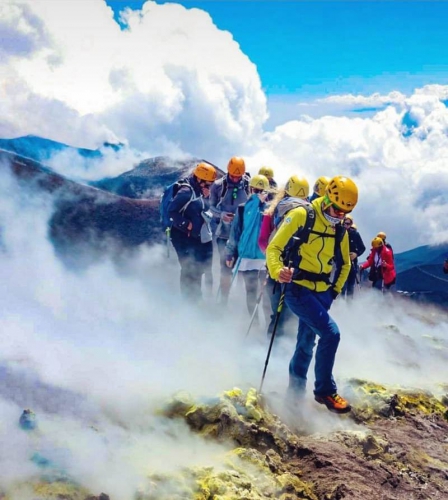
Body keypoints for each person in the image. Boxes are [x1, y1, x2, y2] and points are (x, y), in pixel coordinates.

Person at [266, 175, 358, 414]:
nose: (339, 216)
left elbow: (345, 264)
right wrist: (278, 271)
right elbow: (273, 247)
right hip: (297, 289)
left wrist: (333, 293)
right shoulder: (301, 215)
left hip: (322, 293)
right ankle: (325, 391)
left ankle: (294, 398)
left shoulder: (340, 229)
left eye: (344, 213)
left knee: (306, 343)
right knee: (331, 333)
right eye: (337, 210)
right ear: (327, 197)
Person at [258, 175, 309, 338]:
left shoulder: (272, 212)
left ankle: (272, 348)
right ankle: (284, 350)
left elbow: (263, 240)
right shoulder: (309, 214)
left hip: (275, 269)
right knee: (291, 314)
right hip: (298, 270)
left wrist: (273, 259)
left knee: (278, 313)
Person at [225, 174, 272, 323]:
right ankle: (267, 328)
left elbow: (235, 233)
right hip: (264, 258)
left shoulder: (243, 208)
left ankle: (257, 325)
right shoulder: (271, 209)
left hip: (248, 258)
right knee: (263, 295)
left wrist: (230, 253)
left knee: (252, 294)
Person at [168, 162, 217, 303]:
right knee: (188, 269)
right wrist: (186, 224)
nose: (210, 186)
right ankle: (190, 301)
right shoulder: (186, 192)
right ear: (199, 180)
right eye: (208, 183)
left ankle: (195, 299)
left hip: (194, 236)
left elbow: (200, 208)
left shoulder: (199, 190)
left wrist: (206, 197)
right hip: (182, 237)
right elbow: (171, 211)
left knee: (197, 268)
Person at [210, 157, 250, 304]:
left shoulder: (248, 185)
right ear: (228, 171)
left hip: (242, 235)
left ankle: (239, 301)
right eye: (233, 175)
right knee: (225, 268)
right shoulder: (218, 186)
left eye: (238, 176)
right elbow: (210, 207)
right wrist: (221, 215)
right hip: (224, 234)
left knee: (243, 269)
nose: (235, 178)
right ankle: (224, 302)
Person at [340, 214, 366, 298]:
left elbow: (362, 248)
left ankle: (349, 305)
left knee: (350, 285)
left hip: (352, 263)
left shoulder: (355, 234)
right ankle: (341, 304)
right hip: (341, 263)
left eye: (348, 224)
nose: (346, 225)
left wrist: (356, 254)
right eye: (345, 223)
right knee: (341, 284)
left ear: (351, 224)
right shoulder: (339, 233)